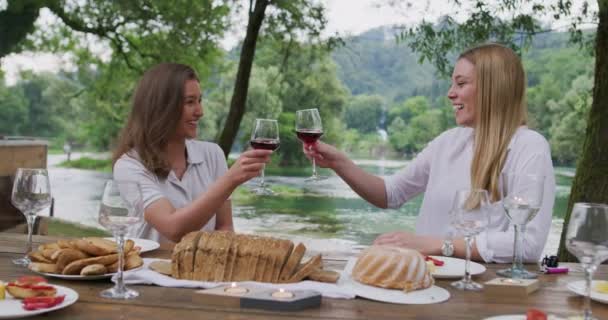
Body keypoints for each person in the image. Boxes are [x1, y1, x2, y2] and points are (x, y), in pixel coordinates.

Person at [303, 44, 555, 263]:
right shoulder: (447, 142)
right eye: (451, 83)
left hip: (485, 291)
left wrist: (439, 245)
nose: (450, 93)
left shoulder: (529, 147)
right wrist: (339, 163)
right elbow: (391, 194)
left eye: (461, 83)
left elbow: (527, 245)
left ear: (493, 89)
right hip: (429, 278)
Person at [112, 63, 272, 243]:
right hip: (147, 268)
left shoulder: (213, 154)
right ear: (161, 107)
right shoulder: (129, 165)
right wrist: (230, 180)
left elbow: (224, 227)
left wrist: (205, 264)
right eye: (190, 102)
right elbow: (172, 228)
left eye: (200, 101)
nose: (200, 112)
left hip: (199, 269)